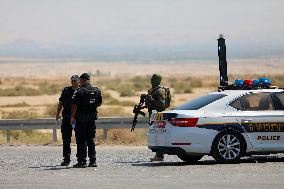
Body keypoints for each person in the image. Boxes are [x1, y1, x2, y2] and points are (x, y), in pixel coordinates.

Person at [71, 73, 102, 168]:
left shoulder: (79, 91)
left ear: (83, 80)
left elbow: (74, 105)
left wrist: (72, 117)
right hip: (91, 119)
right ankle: (93, 161)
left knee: (81, 140)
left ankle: (82, 162)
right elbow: (99, 103)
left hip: (81, 119)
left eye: (80, 80)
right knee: (91, 140)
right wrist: (91, 108)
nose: (79, 82)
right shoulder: (96, 90)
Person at [145, 74, 171, 162]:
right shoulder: (154, 90)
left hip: (158, 116)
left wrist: (150, 99)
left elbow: (161, 104)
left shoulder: (160, 91)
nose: (151, 80)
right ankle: (159, 154)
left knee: (158, 134)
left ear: (158, 80)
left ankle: (159, 155)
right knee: (156, 134)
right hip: (154, 115)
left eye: (153, 79)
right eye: (151, 79)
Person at [56, 75, 80, 166]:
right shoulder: (66, 90)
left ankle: (80, 159)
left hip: (78, 119)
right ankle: (66, 159)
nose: (73, 82)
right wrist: (57, 113)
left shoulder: (81, 90)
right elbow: (60, 103)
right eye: (72, 80)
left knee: (80, 139)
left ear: (79, 81)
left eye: (75, 80)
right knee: (66, 139)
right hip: (66, 118)